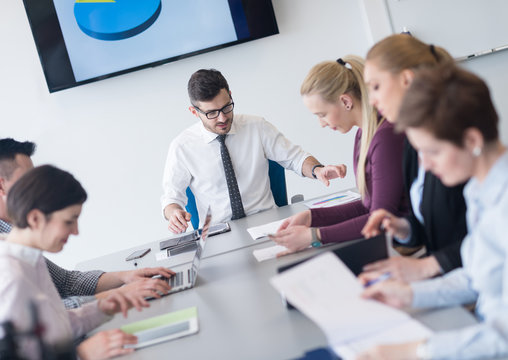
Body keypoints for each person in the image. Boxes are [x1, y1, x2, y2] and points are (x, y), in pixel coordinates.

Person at [358, 64, 508, 360]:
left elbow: (502, 338)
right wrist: (409, 294)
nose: (424, 165)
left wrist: (413, 352)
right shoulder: (478, 191)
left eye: (432, 151)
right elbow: (477, 277)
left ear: (472, 141)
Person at [161, 68, 347, 234]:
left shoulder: (256, 126)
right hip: (218, 234)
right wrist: (174, 213)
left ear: (231, 96)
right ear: (195, 112)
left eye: (227, 107)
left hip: (268, 225)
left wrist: (317, 170)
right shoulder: (182, 147)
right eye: (212, 113)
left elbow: (296, 158)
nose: (222, 117)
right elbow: (171, 198)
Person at [0, 138, 174, 309]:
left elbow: (65, 283)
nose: (35, 187)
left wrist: (124, 277)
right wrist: (118, 295)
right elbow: (45, 318)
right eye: (27, 180)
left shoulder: (18, 237)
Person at [0, 165, 152, 359]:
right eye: (69, 221)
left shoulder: (31, 259)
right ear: (35, 218)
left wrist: (102, 308)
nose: (76, 231)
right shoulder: (10, 277)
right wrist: (81, 354)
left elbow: (54, 328)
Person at [270, 56, 406, 255]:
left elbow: (380, 217)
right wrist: (311, 218)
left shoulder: (385, 136)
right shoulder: (364, 134)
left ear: (345, 101)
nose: (321, 123)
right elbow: (369, 204)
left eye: (322, 114)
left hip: (402, 247)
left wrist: (314, 236)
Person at [360, 34, 467, 282]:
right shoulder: (411, 142)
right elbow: (433, 226)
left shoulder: (452, 142)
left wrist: (425, 267)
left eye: (376, 87)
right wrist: (402, 227)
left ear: (406, 79)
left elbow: (484, 238)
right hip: (444, 279)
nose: (372, 101)